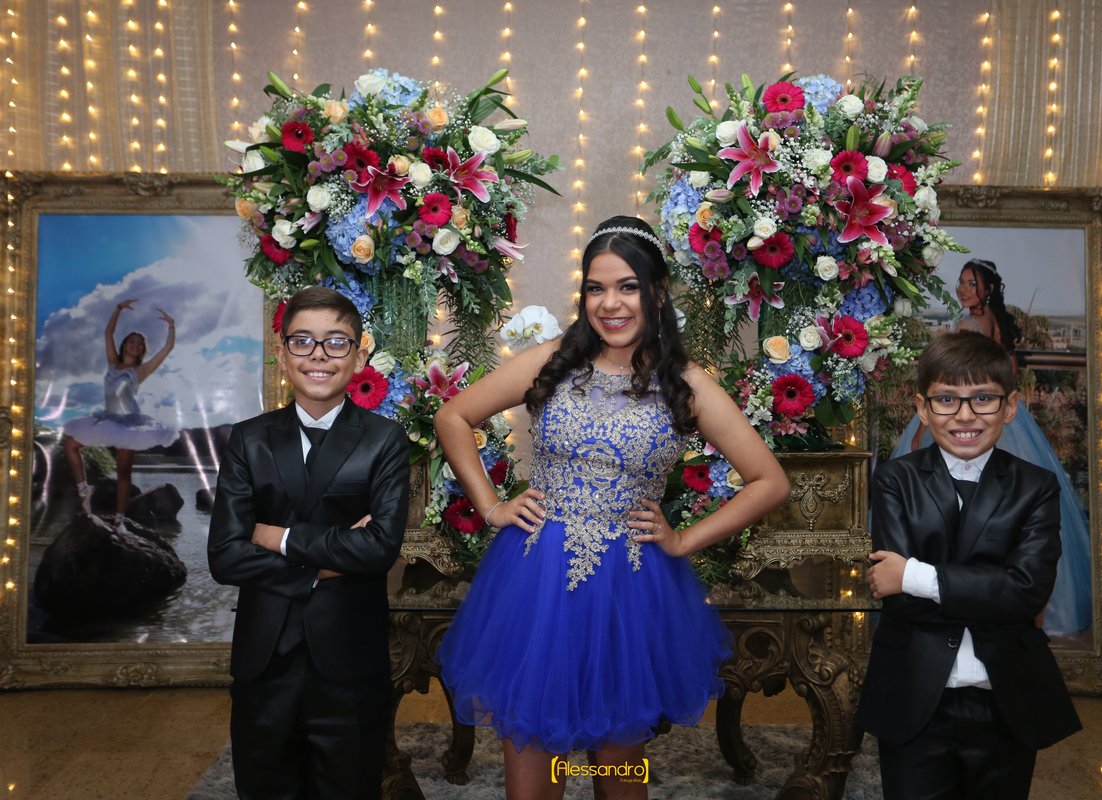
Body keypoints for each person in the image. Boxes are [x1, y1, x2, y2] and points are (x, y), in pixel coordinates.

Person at [433, 215, 791, 800]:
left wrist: (683, 540)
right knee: (532, 749)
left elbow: (769, 482)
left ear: (657, 291)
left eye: (627, 286)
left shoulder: (686, 383)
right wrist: (491, 506)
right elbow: (453, 416)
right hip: (536, 578)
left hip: (629, 584)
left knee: (618, 766)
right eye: (596, 288)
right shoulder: (552, 361)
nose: (610, 303)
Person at [207, 286, 410, 800]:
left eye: (336, 342)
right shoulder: (248, 439)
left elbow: (380, 549)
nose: (319, 355)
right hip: (264, 658)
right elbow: (225, 555)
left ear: (359, 355)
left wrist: (277, 537)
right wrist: (324, 564)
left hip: (351, 658)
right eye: (303, 341)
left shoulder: (384, 439)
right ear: (282, 354)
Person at [860, 331, 1082, 800]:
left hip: (1006, 699)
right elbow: (901, 603)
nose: (965, 415)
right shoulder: (896, 479)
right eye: (946, 399)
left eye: (983, 398)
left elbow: (1027, 592)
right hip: (914, 693)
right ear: (923, 408)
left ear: (1010, 406)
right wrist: (993, 590)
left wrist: (915, 575)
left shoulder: (1036, 486)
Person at [893, 259, 1092, 637]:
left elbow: (949, 381)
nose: (963, 289)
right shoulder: (997, 323)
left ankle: (954, 595)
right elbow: (1009, 371)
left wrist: (923, 427)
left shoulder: (966, 327)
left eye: (972, 284)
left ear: (988, 289)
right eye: (961, 282)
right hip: (1001, 416)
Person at [62, 299, 177, 532]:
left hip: (129, 422)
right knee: (70, 445)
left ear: (143, 350)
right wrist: (118, 309)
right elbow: (108, 334)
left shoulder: (142, 370)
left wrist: (171, 326)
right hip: (107, 418)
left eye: (140, 344)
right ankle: (84, 489)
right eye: (132, 341)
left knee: (124, 471)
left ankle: (119, 520)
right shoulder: (113, 363)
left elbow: (167, 349)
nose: (135, 345)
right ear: (125, 345)